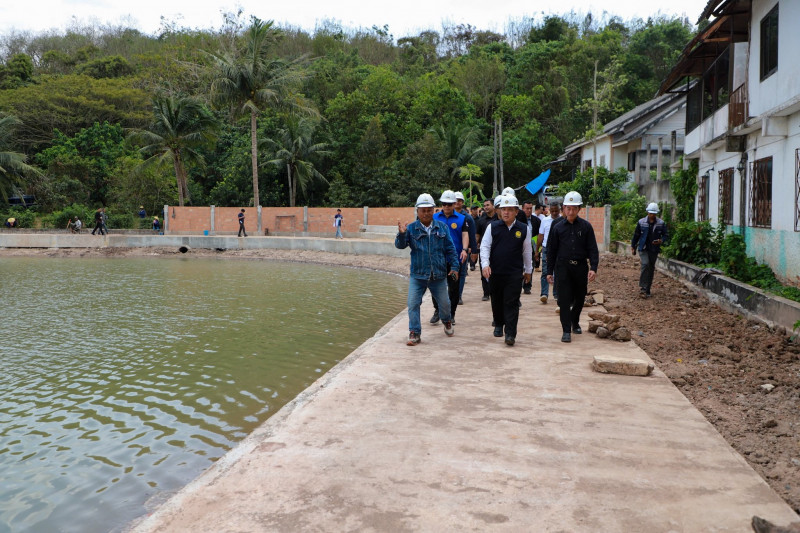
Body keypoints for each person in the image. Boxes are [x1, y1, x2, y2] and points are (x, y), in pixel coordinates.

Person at [395, 193, 459, 345]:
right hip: (418, 275)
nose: (426, 213)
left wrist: (455, 266)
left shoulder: (442, 227)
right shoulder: (411, 229)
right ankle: (414, 332)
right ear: (417, 211)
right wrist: (402, 234)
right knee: (413, 304)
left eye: (429, 210)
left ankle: (446, 320)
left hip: (438, 275)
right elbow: (400, 245)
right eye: (423, 210)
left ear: (433, 210)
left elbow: (450, 249)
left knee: (445, 304)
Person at [546, 191, 599, 343]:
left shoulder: (586, 227)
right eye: (568, 208)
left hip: (580, 267)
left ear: (579, 209)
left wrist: (593, 268)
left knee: (580, 298)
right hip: (563, 267)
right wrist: (549, 271)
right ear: (564, 208)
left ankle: (575, 321)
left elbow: (592, 249)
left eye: (574, 208)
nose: (570, 212)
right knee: (564, 299)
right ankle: (566, 330)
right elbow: (551, 250)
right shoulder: (557, 227)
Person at [480, 194, 533, 346]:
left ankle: (510, 333)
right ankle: (498, 323)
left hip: (514, 273)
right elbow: (485, 247)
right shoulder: (493, 227)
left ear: (516, 211)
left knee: (512, 302)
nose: (506, 212)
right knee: (497, 300)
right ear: (499, 211)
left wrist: (528, 270)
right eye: (504, 209)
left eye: (510, 209)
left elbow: (527, 251)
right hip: (495, 271)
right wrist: (485, 265)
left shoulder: (523, 229)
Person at [431, 190, 469, 325]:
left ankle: (451, 314)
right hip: (437, 259)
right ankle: (437, 310)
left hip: (454, 261)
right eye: (444, 204)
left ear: (454, 204)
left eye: (449, 204)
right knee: (435, 286)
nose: (446, 206)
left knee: (453, 288)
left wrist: (465, 249)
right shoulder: (434, 217)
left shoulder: (462, 219)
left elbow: (465, 235)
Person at [632, 202, 669, 298]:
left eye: (653, 213)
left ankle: (647, 289)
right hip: (643, 248)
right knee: (645, 264)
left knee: (651, 267)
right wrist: (633, 246)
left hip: (654, 249)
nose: (651, 215)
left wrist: (661, 240)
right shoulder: (641, 222)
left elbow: (665, 235)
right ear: (647, 212)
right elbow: (636, 235)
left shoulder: (661, 223)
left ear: (656, 214)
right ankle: (643, 288)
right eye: (650, 213)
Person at [537, 201, 562, 305]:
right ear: (549, 210)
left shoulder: (563, 220)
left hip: (559, 249)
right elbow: (541, 235)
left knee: (558, 271)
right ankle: (544, 294)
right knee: (545, 271)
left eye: (556, 211)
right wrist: (537, 251)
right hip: (547, 248)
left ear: (560, 210)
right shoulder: (545, 221)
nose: (554, 213)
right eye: (552, 211)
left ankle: (556, 294)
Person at [475, 198, 499, 301]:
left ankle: (495, 292)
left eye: (488, 205)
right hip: (484, 249)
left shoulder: (499, 219)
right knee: (484, 271)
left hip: (497, 249)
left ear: (493, 206)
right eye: (484, 206)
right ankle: (486, 293)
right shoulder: (481, 220)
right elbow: (477, 235)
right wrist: (475, 248)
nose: (486, 207)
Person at [454, 191, 478, 291]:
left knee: (462, 272)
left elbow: (472, 235)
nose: (457, 202)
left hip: (463, 249)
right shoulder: (448, 215)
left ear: (462, 202)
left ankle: (459, 295)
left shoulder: (467, 218)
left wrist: (474, 251)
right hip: (450, 249)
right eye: (456, 200)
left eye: (459, 200)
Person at [521, 200, 541, 294]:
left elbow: (539, 236)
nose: (529, 210)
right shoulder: (517, 220)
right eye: (527, 208)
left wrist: (537, 251)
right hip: (519, 248)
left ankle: (527, 286)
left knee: (530, 267)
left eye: (530, 208)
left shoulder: (536, 221)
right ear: (522, 209)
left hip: (531, 248)